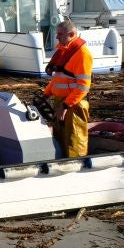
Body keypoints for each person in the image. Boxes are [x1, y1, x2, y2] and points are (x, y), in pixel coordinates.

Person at [43, 20, 92, 158]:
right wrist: (45, 95)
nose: (56, 37)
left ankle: (78, 165)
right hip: (61, 102)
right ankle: (60, 164)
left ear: (71, 34)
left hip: (74, 105)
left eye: (60, 34)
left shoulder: (82, 54)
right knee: (59, 137)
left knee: (74, 140)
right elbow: (58, 78)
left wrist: (65, 106)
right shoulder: (64, 51)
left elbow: (83, 87)